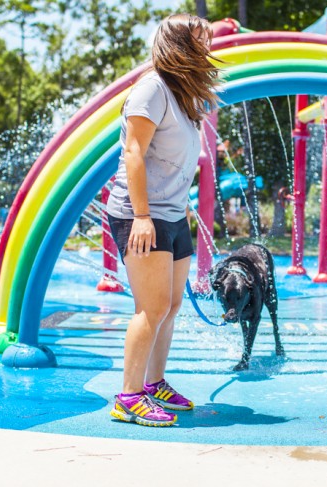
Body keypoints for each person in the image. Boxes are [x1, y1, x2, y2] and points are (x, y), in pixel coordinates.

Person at [105, 13, 219, 427]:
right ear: (178, 45)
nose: (208, 47)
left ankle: (153, 384)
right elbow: (133, 153)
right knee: (150, 309)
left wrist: (179, 204)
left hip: (171, 215)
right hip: (142, 217)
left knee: (169, 307)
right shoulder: (151, 88)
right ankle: (128, 397)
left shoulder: (182, 94)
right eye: (201, 40)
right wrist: (141, 216)